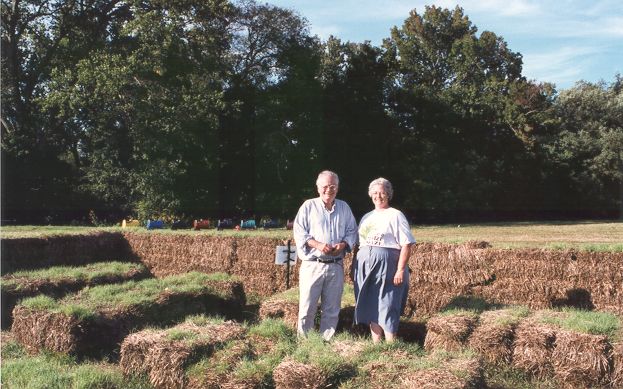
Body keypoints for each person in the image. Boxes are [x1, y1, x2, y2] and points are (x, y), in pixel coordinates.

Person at [293, 170, 358, 341]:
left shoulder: (344, 207)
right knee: (307, 307)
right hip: (313, 265)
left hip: (335, 265)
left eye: (333, 186)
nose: (329, 190)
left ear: (337, 188)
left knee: (332, 309)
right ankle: (304, 343)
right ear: (318, 188)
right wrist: (319, 245)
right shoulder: (308, 206)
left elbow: (353, 231)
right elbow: (299, 232)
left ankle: (325, 342)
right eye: (325, 186)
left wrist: (343, 245)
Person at [353, 177, 416, 342]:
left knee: (388, 302)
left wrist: (400, 269)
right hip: (365, 265)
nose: (378, 196)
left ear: (388, 194)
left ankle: (390, 343)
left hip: (388, 265)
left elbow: (407, 244)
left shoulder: (395, 215)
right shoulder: (366, 216)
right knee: (370, 301)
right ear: (370, 195)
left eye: (382, 192)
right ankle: (376, 344)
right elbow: (359, 244)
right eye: (374, 192)